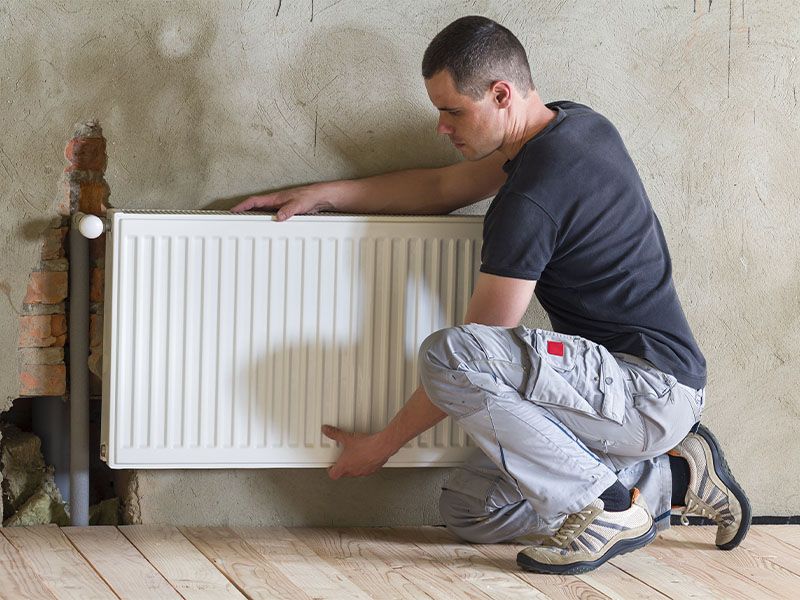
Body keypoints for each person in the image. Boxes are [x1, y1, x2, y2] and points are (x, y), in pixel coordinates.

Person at [232, 15, 751, 574]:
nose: (441, 126)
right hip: (617, 396)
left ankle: (609, 505)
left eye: (453, 110)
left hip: (646, 389)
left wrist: (381, 445)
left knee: (450, 353)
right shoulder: (574, 125)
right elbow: (440, 187)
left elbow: (476, 354)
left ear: (501, 94)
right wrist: (323, 195)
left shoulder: (531, 198)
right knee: (471, 509)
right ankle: (674, 476)